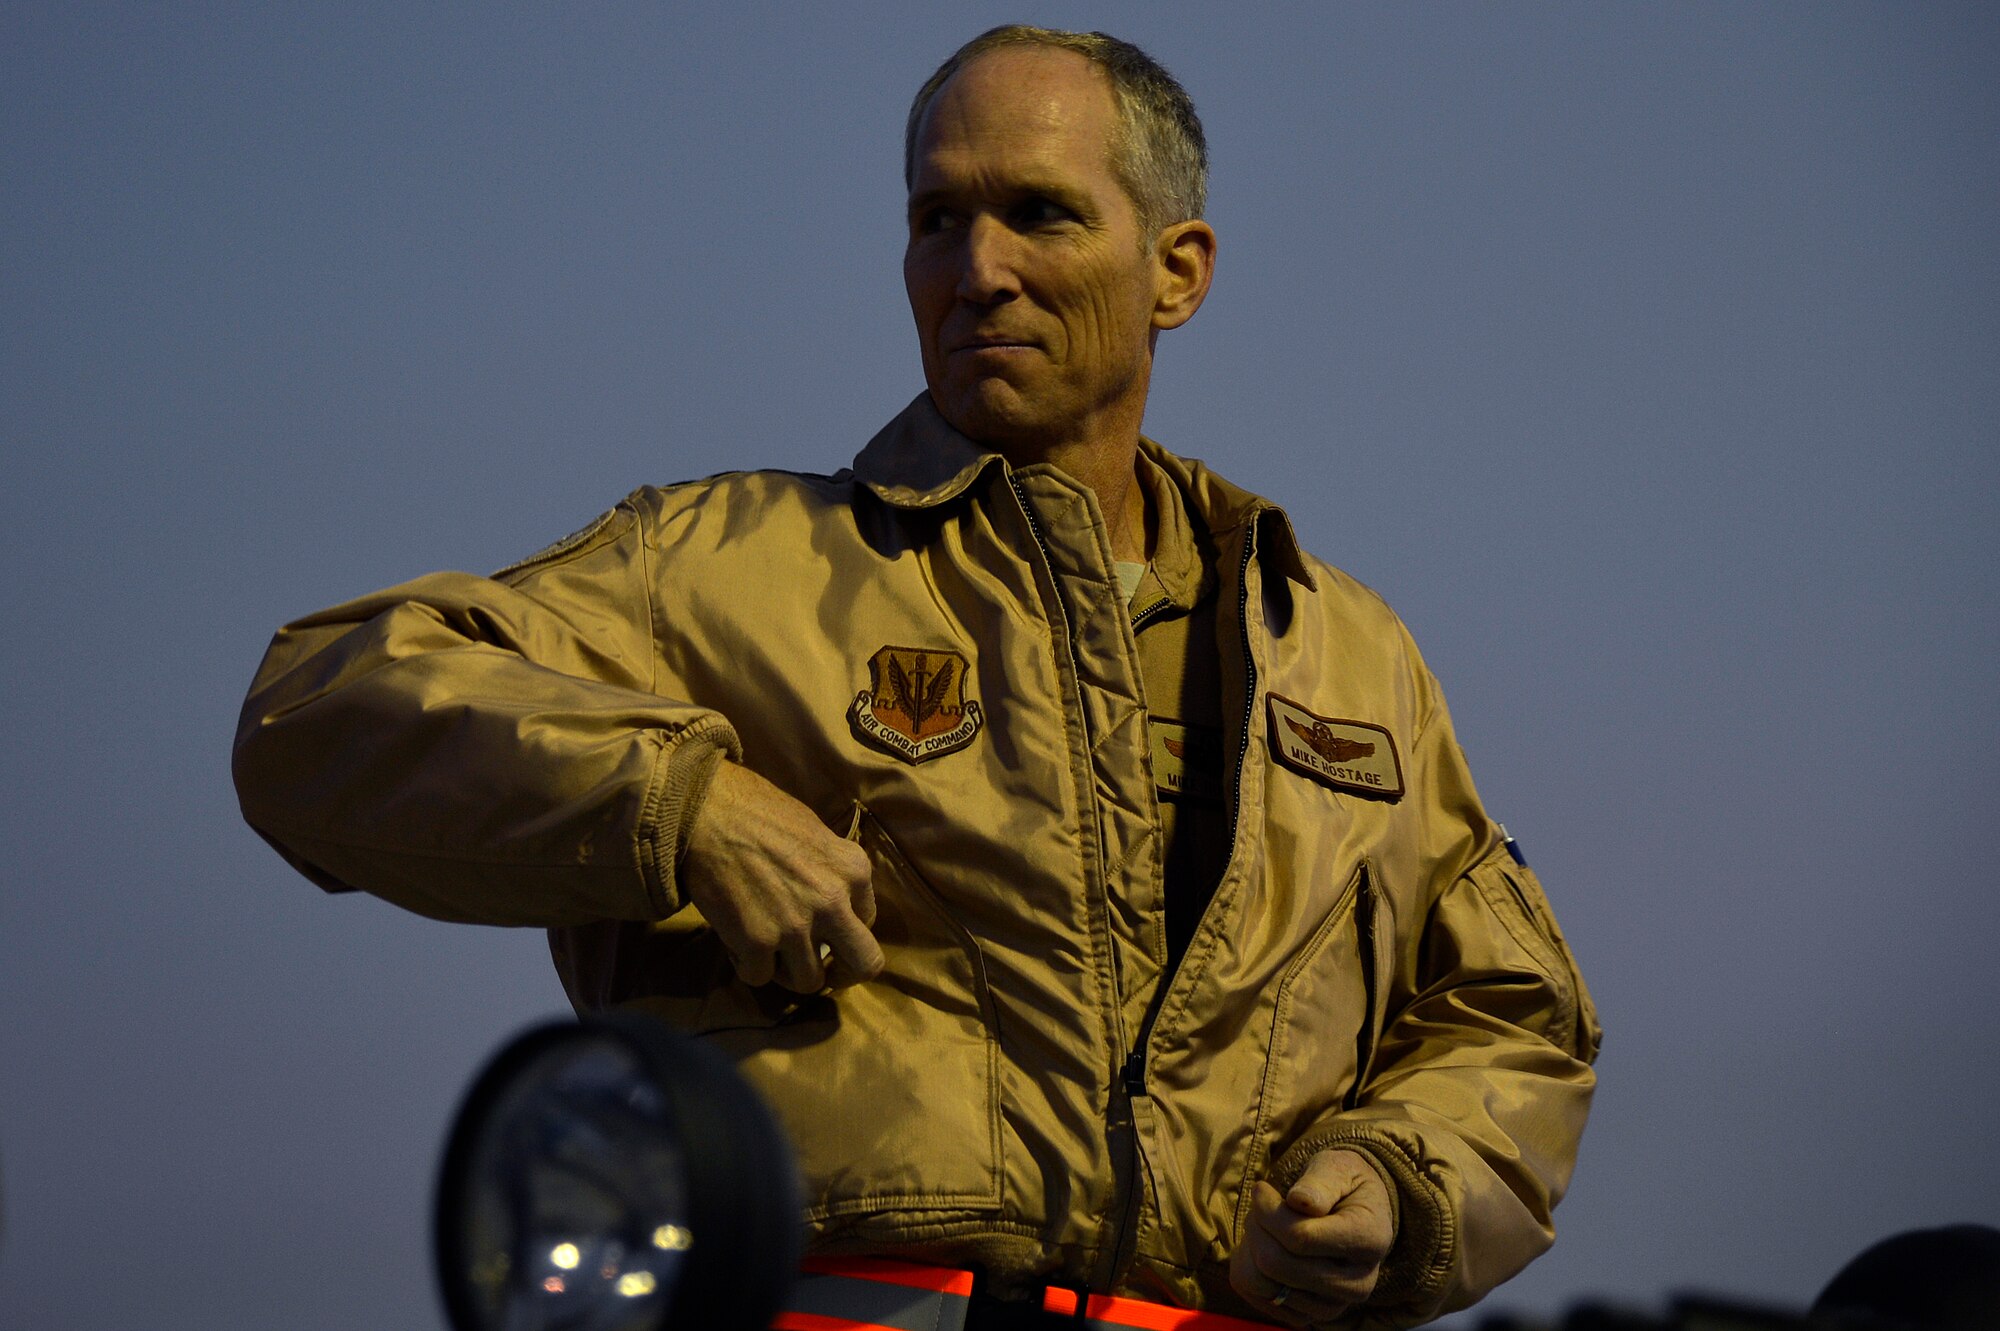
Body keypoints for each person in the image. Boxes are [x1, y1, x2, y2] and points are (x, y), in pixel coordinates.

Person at [233, 25, 1598, 1330]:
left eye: (1042, 215)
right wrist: (682, 802)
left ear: (1177, 270)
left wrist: (1404, 1182)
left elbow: (1514, 1019)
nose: (979, 268)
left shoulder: (1344, 650)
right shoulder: (726, 564)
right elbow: (318, 712)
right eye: (937, 218)